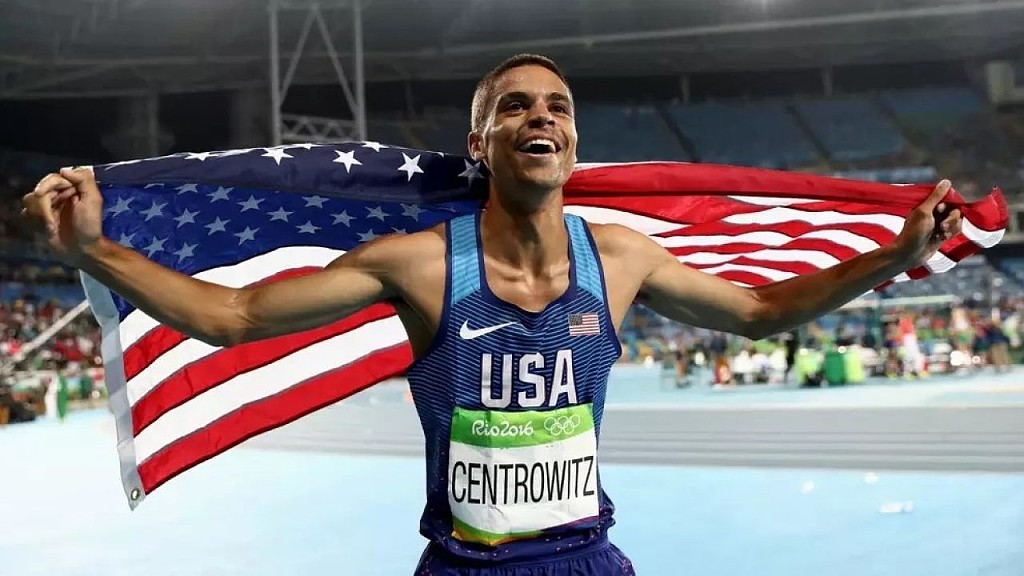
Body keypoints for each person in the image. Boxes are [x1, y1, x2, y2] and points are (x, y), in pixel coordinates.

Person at [21, 53, 963, 575]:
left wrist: (897, 254)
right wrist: (95, 252)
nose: (540, 116)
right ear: (482, 142)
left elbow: (758, 310)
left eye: (557, 106)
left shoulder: (620, 257)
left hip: (588, 560)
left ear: (573, 139)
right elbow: (233, 316)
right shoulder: (420, 264)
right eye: (515, 107)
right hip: (464, 570)